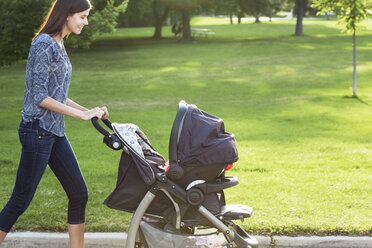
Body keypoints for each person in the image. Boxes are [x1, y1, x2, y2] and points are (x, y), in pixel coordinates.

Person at [0, 0, 107, 247]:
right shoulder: (44, 44)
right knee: (21, 200)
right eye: (83, 16)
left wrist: (90, 111)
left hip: (53, 132)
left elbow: (57, 94)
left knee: (79, 194)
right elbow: (40, 97)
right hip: (37, 130)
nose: (86, 21)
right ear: (67, 15)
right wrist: (79, 115)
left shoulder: (59, 43)